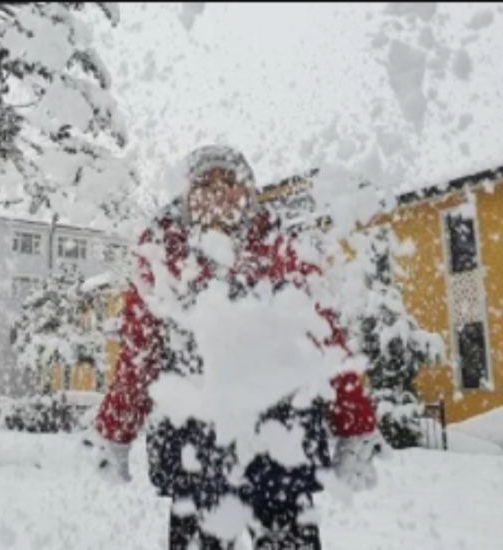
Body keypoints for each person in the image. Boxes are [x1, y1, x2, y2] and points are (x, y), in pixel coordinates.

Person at [82, 145, 386, 550]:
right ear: (186, 195)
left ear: (249, 193)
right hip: (193, 450)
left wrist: (356, 427)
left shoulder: (285, 250)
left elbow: (327, 343)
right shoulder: (161, 257)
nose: (219, 193)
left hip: (283, 448)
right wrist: (115, 432)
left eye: (230, 182)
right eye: (206, 183)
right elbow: (140, 357)